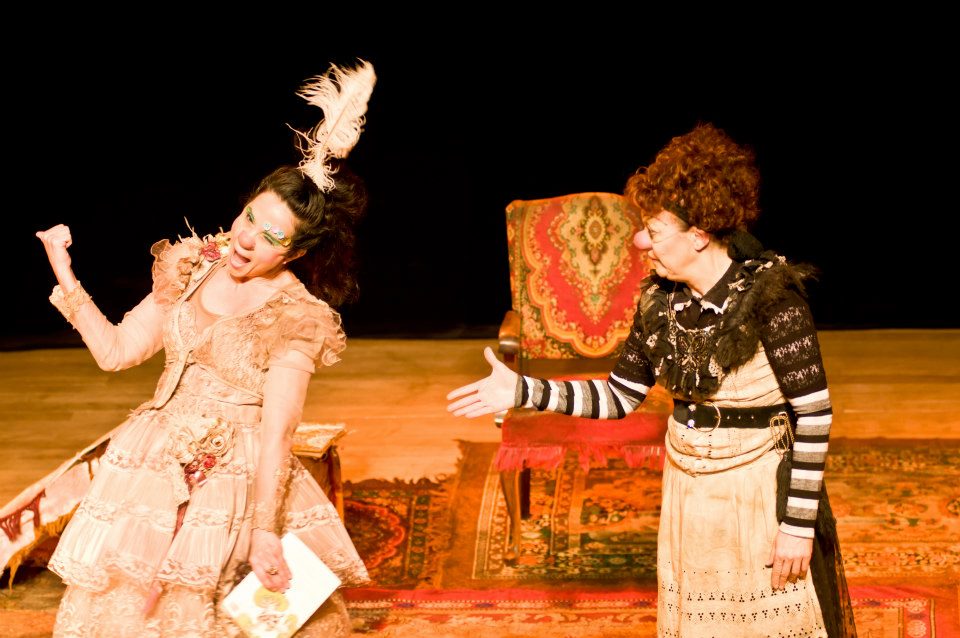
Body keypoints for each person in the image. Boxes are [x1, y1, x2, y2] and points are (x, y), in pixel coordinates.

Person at [447, 123, 856, 637]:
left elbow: (814, 413)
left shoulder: (772, 301)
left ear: (699, 235)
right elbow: (618, 395)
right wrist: (522, 390)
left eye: (655, 230)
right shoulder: (661, 303)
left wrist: (797, 525)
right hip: (688, 490)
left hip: (753, 492)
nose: (640, 241)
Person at [34, 61, 376, 637]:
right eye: (249, 218)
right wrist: (64, 272)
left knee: (205, 615)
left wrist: (264, 531)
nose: (245, 239)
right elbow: (117, 351)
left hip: (232, 476)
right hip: (152, 463)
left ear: (294, 254)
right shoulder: (193, 263)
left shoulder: (295, 317)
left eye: (270, 237)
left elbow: (278, 432)